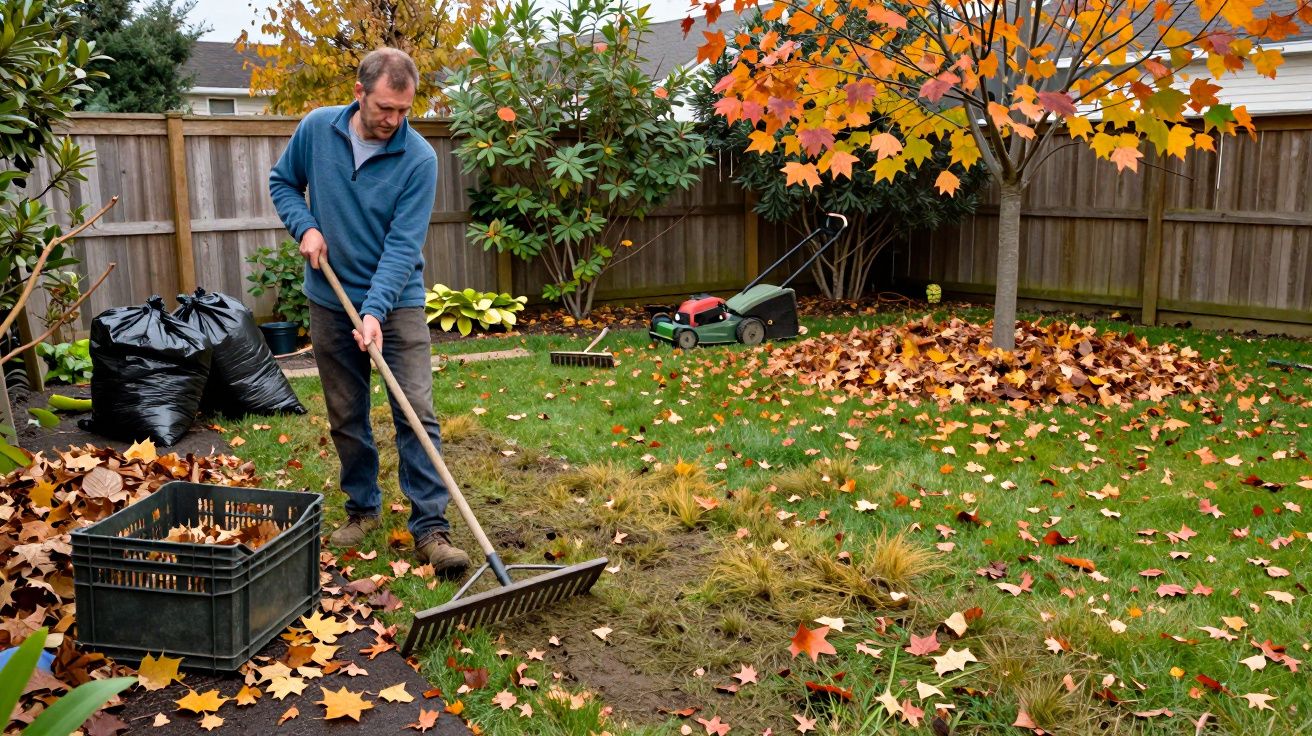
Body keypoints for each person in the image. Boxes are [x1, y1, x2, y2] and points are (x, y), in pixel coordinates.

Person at [268, 48, 470, 575]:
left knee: (415, 410)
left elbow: (403, 248)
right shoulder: (316, 130)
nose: (394, 120)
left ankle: (431, 528)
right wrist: (305, 226)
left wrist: (376, 311)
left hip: (396, 300)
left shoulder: (419, 159)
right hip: (330, 299)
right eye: (385, 108)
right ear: (359, 93)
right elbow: (282, 183)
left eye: (404, 110)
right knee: (345, 412)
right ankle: (363, 509)